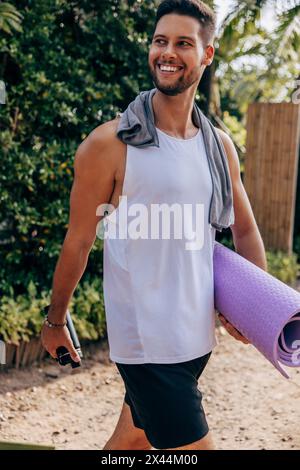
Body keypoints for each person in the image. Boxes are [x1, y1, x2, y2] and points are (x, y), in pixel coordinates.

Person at [41, 0, 267, 451]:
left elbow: (244, 229)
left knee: (131, 443)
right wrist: (55, 318)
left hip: (195, 339)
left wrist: (256, 310)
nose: (167, 52)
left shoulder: (218, 145)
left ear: (207, 55)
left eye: (183, 43)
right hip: (148, 346)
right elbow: (79, 240)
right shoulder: (110, 144)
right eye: (160, 41)